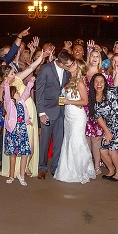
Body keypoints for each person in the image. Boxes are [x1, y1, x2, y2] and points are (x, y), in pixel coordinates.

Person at [54, 61, 95, 184]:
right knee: (68, 141)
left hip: (77, 116)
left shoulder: (80, 82)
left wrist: (68, 101)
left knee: (76, 142)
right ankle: (66, 170)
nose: (70, 66)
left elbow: (84, 101)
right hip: (68, 115)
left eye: (73, 65)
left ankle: (79, 170)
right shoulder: (69, 79)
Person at [35, 49, 73, 179]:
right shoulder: (45, 69)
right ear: (60, 63)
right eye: (68, 64)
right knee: (44, 141)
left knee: (59, 141)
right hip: (47, 111)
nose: (70, 66)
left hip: (62, 111)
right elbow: (39, 92)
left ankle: (55, 168)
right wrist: (41, 113)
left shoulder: (68, 72)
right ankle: (42, 168)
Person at [3, 77, 35, 185]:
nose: (18, 93)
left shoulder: (21, 101)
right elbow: (7, 97)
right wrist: (7, 86)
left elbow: (26, 93)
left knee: (24, 154)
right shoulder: (9, 105)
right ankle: (11, 175)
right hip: (13, 132)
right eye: (16, 92)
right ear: (12, 94)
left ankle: (21, 175)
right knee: (13, 155)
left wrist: (31, 83)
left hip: (22, 131)